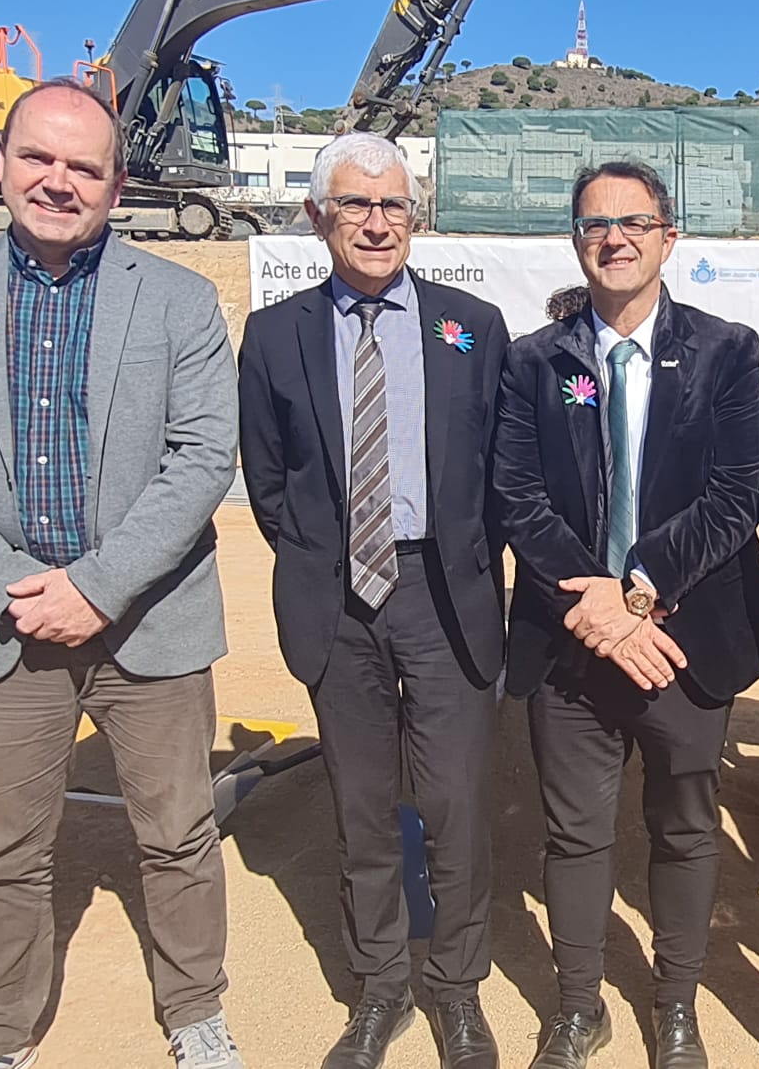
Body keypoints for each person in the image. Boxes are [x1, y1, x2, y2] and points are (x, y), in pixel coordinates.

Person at [0, 77, 244, 1069]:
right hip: (3, 627)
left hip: (146, 624)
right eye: (40, 158)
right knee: (2, 851)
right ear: (1, 164)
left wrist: (99, 586)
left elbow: (202, 458)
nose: (59, 182)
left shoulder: (179, 301)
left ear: (117, 187)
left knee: (176, 835)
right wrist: (11, 582)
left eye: (85, 167)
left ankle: (195, 1010)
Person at [494, 160, 759, 1069]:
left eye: (632, 221)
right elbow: (515, 494)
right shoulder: (534, 360)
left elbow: (739, 494)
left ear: (668, 235)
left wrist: (642, 589)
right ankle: (579, 1006)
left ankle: (676, 1005)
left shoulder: (727, 350)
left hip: (685, 641)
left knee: (686, 828)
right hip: (571, 640)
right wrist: (597, 605)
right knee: (575, 834)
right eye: (593, 225)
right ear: (575, 242)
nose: (612, 238)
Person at [237, 133, 510, 1069]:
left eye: (394, 204)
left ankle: (457, 991)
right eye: (356, 204)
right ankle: (381, 989)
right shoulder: (277, 336)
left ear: (415, 215)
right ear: (318, 217)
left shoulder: (470, 325)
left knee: (453, 804)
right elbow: (270, 484)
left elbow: (496, 469)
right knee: (362, 806)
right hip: (338, 601)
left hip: (444, 596)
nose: (378, 222)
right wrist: (328, 560)